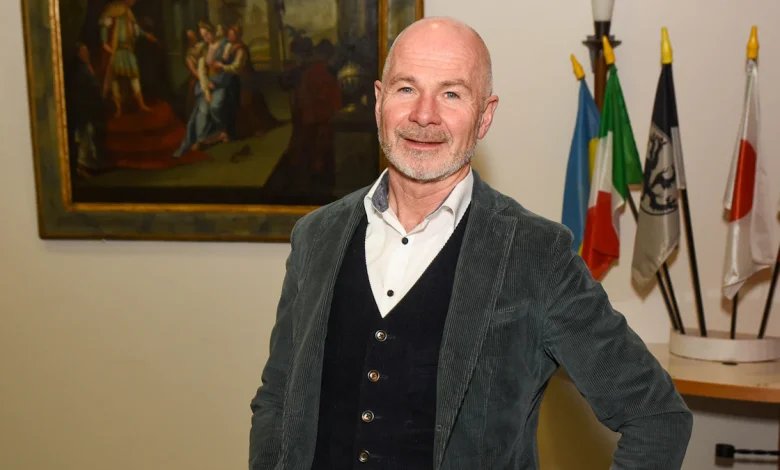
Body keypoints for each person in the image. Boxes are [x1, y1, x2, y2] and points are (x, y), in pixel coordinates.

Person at [249, 17, 692, 469]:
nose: (424, 115)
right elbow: (278, 398)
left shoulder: (538, 254)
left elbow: (657, 417)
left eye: (451, 94)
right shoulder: (316, 236)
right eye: (407, 89)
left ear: (485, 115)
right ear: (379, 100)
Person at [98, 0, 157, 117]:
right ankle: (118, 108)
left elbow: (136, 30)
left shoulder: (129, 13)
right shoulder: (113, 10)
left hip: (128, 50)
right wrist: (104, 43)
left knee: (134, 76)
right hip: (116, 50)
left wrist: (147, 35)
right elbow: (104, 25)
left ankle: (141, 104)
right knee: (115, 78)